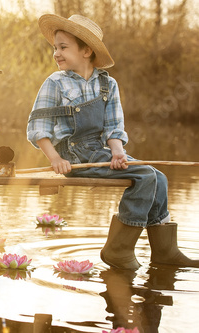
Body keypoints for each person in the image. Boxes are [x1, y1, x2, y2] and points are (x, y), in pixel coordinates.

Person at [27, 14, 198, 269]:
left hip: (100, 152)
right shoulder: (55, 83)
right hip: (75, 156)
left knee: (159, 177)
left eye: (63, 47)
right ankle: (118, 249)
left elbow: (114, 127)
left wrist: (118, 153)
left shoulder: (108, 84)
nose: (56, 53)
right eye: (55, 47)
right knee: (146, 177)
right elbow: (37, 127)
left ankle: (164, 251)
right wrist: (56, 159)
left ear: (86, 51)